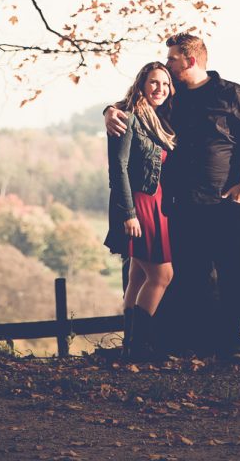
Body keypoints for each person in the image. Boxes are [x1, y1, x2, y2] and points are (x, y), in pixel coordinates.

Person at [105, 33, 240, 362]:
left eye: (172, 59)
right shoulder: (173, 98)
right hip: (178, 207)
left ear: (190, 61)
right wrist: (108, 111)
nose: (167, 64)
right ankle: (186, 344)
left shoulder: (232, 95)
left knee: (232, 273)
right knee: (190, 276)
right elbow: (136, 106)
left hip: (226, 204)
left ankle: (231, 346)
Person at [104, 61, 176, 361]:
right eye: (153, 83)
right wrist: (129, 213)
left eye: (165, 83)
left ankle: (129, 347)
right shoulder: (128, 117)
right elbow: (118, 168)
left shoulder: (157, 119)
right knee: (162, 275)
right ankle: (140, 347)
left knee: (136, 276)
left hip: (156, 203)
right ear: (142, 84)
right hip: (139, 204)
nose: (160, 88)